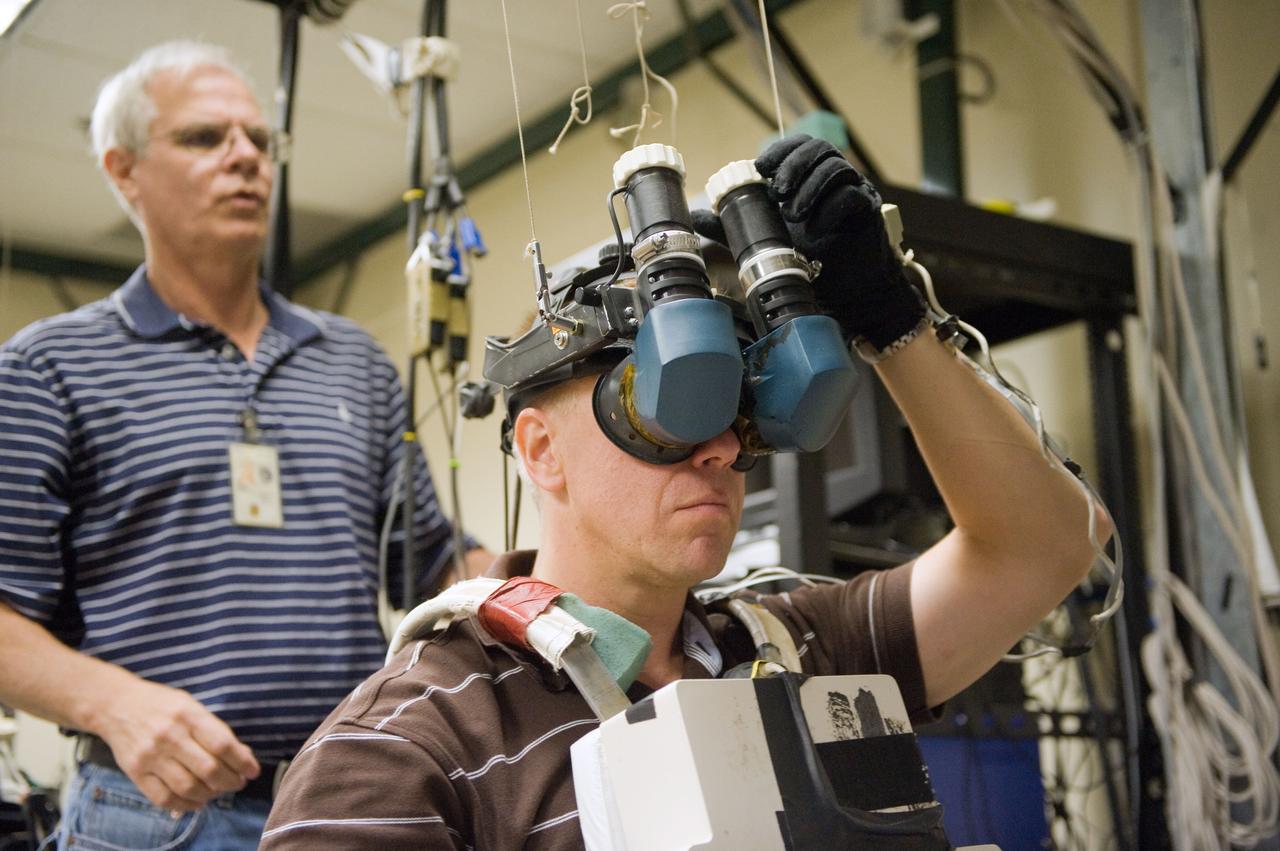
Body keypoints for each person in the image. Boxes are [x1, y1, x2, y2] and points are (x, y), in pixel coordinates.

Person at [260, 137, 1109, 849]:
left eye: (734, 405)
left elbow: (1049, 546)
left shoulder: (800, 649)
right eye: (665, 403)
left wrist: (893, 326)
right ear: (540, 449)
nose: (713, 447)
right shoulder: (406, 745)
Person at [0, 41, 490, 850]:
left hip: (355, 792)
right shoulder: (47, 366)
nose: (246, 160)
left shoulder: (354, 361)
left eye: (261, 141)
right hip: (150, 817)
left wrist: (550, 579)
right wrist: (111, 703)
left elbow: (430, 567)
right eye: (205, 138)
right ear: (124, 172)